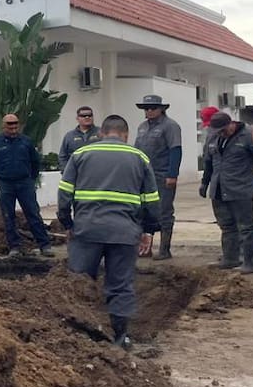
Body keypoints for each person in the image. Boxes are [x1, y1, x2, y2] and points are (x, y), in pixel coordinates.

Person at [58, 114, 160, 348]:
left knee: (80, 281)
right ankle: (120, 336)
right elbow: (152, 200)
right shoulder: (139, 157)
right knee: (121, 285)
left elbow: (64, 193)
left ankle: (80, 335)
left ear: (101, 133)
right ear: (126, 135)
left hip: (87, 230)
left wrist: (68, 224)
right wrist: (148, 230)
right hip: (125, 233)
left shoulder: (80, 154)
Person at [198, 112, 253, 273]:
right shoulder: (214, 137)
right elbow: (208, 162)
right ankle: (230, 259)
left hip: (239, 189)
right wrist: (205, 183)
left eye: (224, 130)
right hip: (218, 189)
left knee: (247, 227)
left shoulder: (248, 135)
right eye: (218, 131)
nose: (221, 133)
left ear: (231, 124)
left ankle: (250, 262)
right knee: (226, 226)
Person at [0, 112, 54, 257]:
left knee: (33, 213)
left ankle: (44, 245)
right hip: (5, 184)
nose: (13, 129)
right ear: (3, 126)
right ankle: (14, 247)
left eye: (15, 125)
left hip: (24, 183)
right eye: (10, 126)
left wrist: (31, 179)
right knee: (8, 216)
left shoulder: (26, 142)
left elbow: (35, 162)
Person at [134, 94, 183, 259]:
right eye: (146, 108)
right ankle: (145, 248)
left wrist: (172, 174)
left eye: (153, 108)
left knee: (164, 212)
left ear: (161, 109)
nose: (149, 111)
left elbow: (175, 151)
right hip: (144, 176)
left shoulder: (170, 126)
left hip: (162, 175)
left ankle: (164, 249)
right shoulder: (142, 127)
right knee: (143, 211)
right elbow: (137, 151)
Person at [58, 105, 101, 171]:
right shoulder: (69, 136)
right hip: (76, 173)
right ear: (77, 118)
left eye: (90, 115)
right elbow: (62, 156)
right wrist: (66, 171)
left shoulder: (101, 132)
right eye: (83, 116)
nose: (87, 117)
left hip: (97, 171)